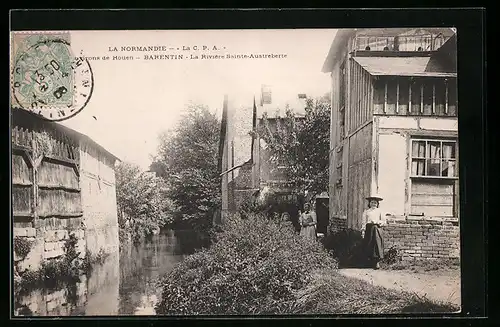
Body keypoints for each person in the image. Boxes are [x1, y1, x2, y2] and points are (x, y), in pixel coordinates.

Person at [361, 194, 386, 269]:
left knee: (377, 244)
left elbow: (384, 221)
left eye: (375, 203)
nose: (373, 204)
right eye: (372, 202)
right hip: (369, 230)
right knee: (369, 244)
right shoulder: (366, 212)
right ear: (369, 203)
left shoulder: (380, 211)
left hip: (377, 229)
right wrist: (363, 231)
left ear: (377, 204)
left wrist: (377, 222)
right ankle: (369, 262)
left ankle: (377, 263)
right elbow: (364, 222)